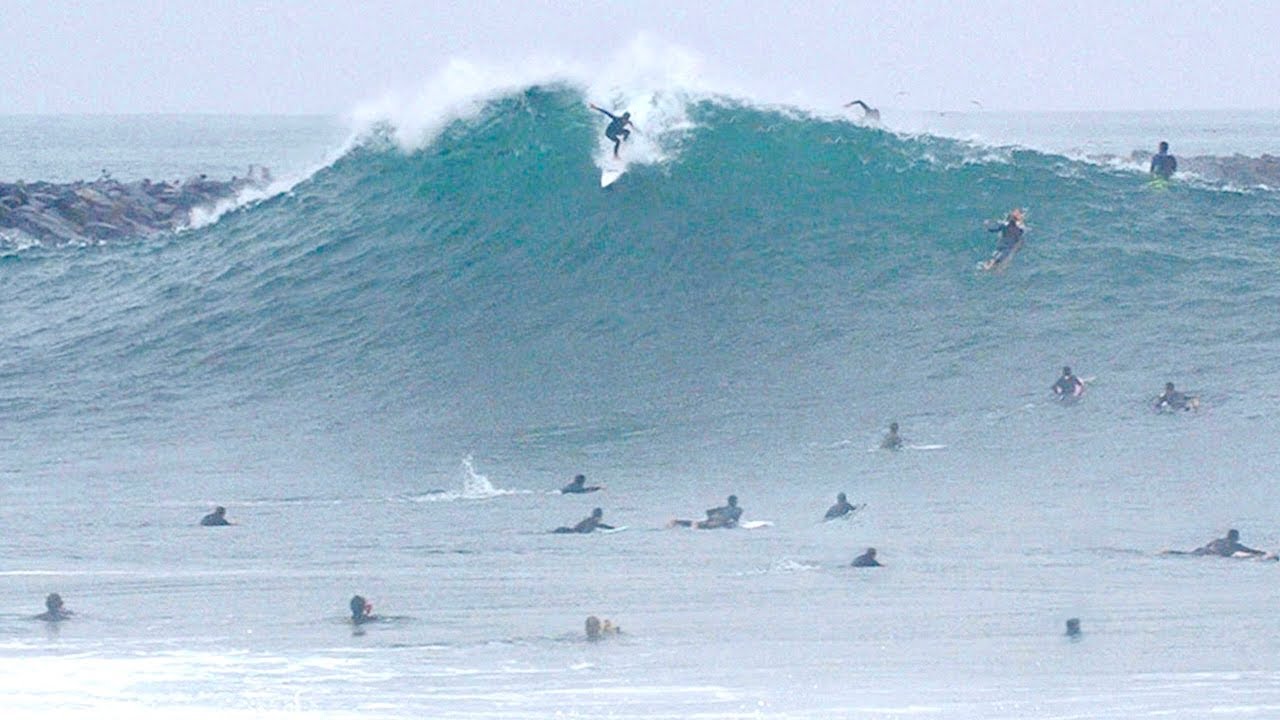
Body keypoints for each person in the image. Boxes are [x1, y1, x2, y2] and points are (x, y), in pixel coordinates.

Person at [670, 495, 742, 529]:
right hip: (717, 523)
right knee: (702, 526)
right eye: (735, 501)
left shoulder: (721, 508)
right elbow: (735, 521)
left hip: (711, 520)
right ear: (735, 501)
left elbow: (708, 512)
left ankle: (675, 522)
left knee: (695, 523)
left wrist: (712, 517)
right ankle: (676, 523)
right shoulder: (738, 510)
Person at [1190, 529, 1266, 558]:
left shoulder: (1217, 540)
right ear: (1235, 537)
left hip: (1202, 551)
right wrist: (1265, 554)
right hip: (1215, 555)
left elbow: (1206, 546)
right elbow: (1250, 551)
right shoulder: (1235, 545)